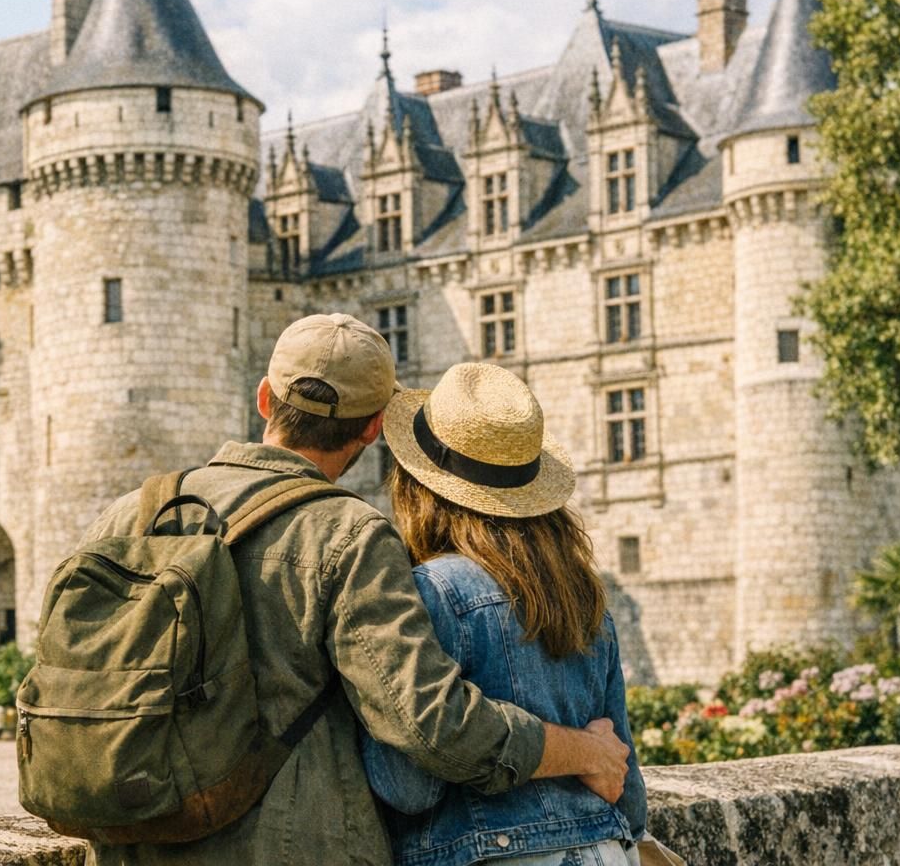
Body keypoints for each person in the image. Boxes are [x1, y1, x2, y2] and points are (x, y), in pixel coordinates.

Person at [77, 314, 628, 866]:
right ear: (372, 429)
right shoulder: (350, 534)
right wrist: (584, 750)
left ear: (265, 398)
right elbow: (430, 724)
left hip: (134, 843)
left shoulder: (132, 512)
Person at [362, 363, 648, 866]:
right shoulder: (584, 596)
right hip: (606, 851)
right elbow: (627, 791)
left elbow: (407, 787)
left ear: (419, 487)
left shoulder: (435, 592)